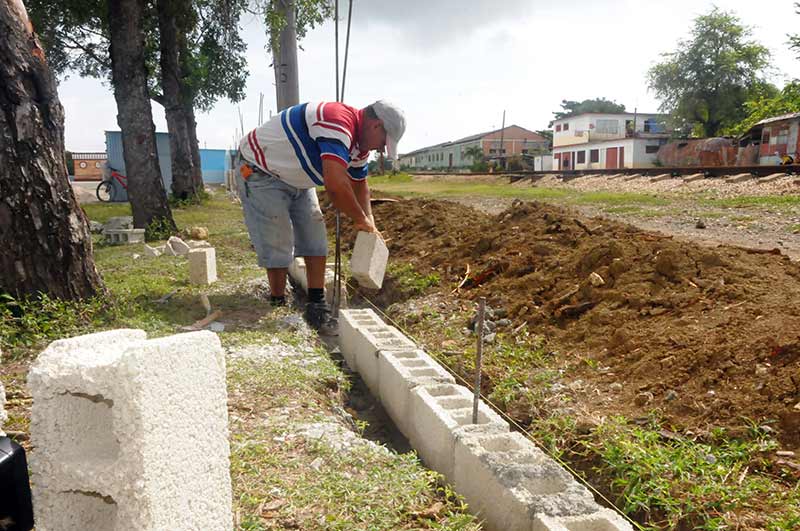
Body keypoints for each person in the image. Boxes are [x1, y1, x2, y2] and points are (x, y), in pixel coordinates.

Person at [236, 100, 405, 330]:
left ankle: (317, 304)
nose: (381, 150)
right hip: (261, 170)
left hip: (297, 179)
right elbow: (335, 186)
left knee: (315, 234)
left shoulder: (359, 148)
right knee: (277, 238)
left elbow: (359, 184)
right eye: (383, 143)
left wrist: (370, 223)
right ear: (376, 125)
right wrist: (360, 219)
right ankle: (278, 301)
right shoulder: (337, 121)